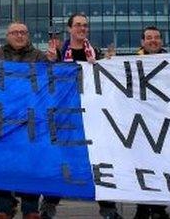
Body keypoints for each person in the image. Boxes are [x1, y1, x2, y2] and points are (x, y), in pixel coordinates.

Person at [46, 13, 118, 219]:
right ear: (70, 29)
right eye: (78, 25)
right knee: (62, 161)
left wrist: (106, 64)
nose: (82, 28)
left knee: (98, 161)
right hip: (65, 116)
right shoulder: (59, 52)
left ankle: (108, 208)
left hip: (91, 117)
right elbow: (48, 80)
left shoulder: (94, 52)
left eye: (85, 25)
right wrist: (51, 62)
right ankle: (49, 205)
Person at [0, 22, 55, 219]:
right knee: (1, 162)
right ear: (7, 35)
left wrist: (53, 63)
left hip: (30, 120)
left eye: (23, 32)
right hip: (2, 118)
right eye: (15, 32)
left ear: (28, 36)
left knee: (30, 163)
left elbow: (50, 82)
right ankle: (2, 208)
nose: (19, 36)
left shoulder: (39, 57)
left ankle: (31, 209)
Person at [133, 26, 170, 219]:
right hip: (140, 126)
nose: (153, 41)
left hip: (165, 125)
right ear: (142, 42)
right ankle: (142, 207)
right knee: (142, 167)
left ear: (161, 41)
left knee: (163, 168)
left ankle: (159, 209)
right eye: (149, 38)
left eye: (156, 37)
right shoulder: (131, 62)